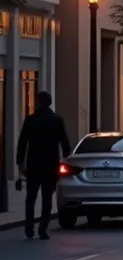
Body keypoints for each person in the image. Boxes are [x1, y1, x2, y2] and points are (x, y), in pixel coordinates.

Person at [15, 90, 71, 240]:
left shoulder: (31, 120)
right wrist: (66, 157)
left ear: (39, 102)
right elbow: (64, 143)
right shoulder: (56, 120)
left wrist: (20, 161)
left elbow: (23, 142)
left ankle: (29, 228)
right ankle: (42, 228)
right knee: (47, 197)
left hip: (34, 163)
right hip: (51, 164)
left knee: (31, 197)